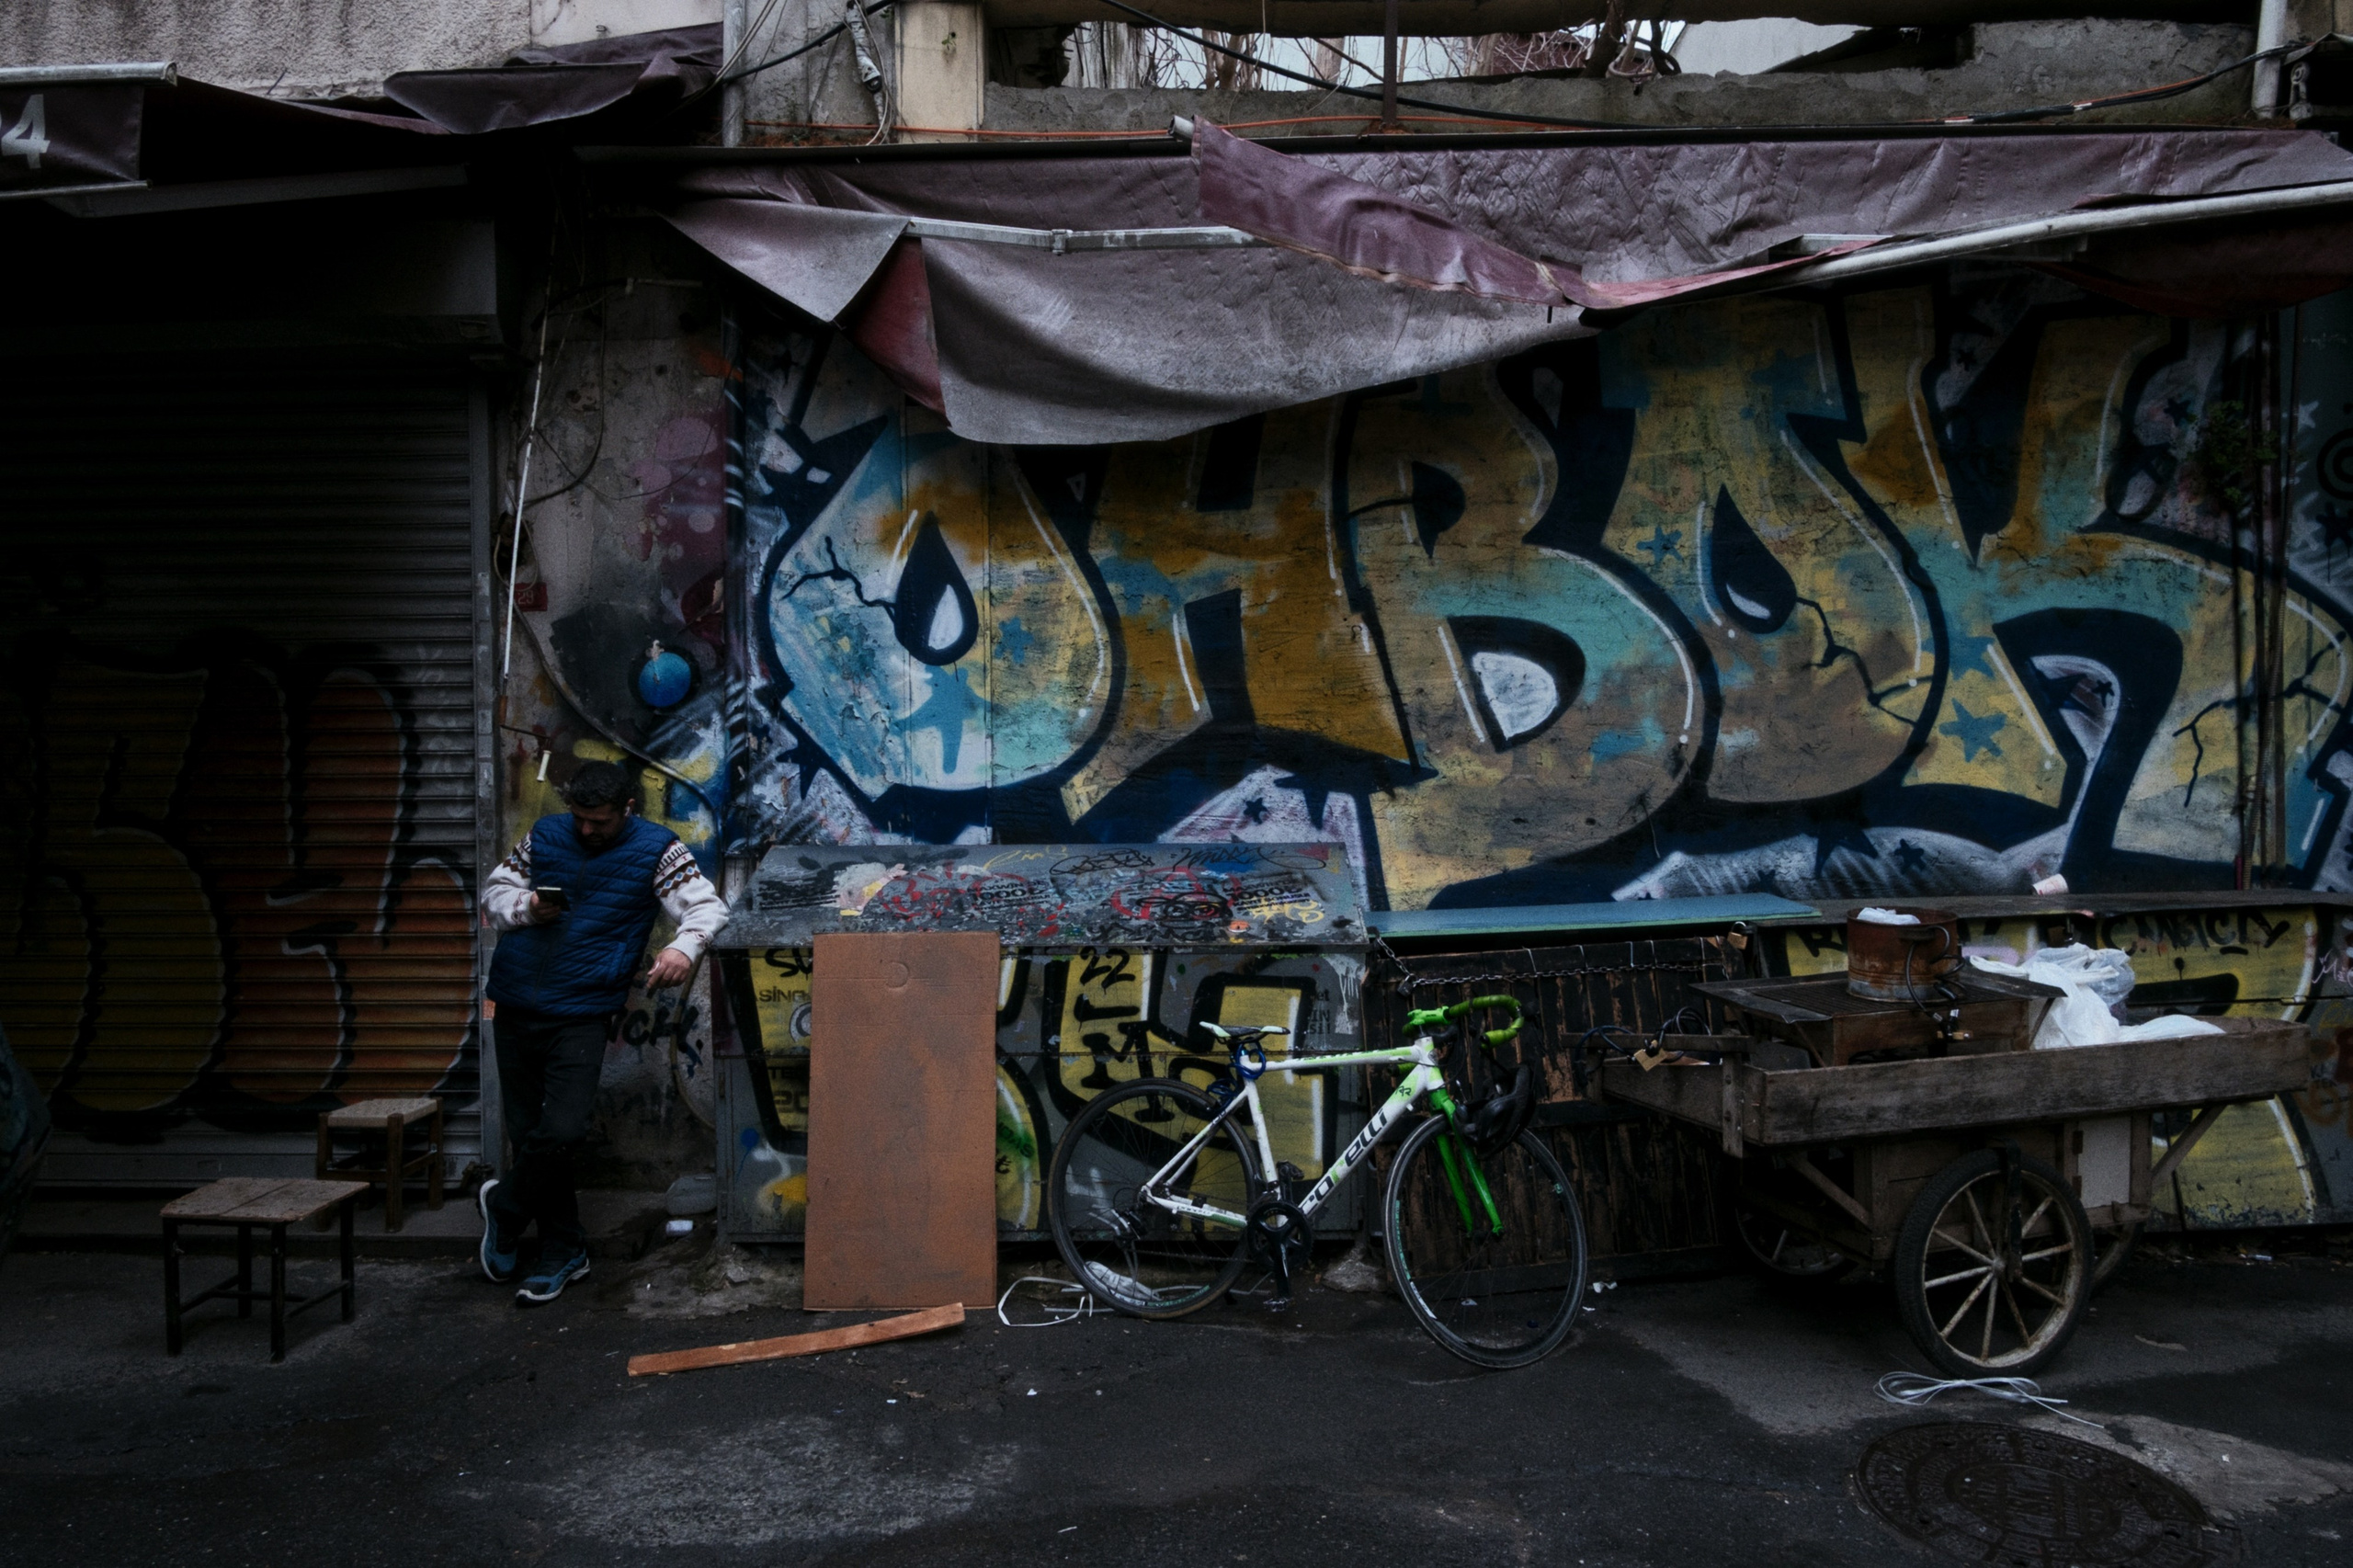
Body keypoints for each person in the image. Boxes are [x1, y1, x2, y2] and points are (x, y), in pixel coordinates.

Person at [477, 760, 727, 1305]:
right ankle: (563, 1252)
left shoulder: (659, 849)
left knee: (561, 1131)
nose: (587, 831)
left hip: (583, 1011)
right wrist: (528, 906)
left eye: (601, 822)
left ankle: (504, 1207)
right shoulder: (545, 835)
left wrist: (683, 949)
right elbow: (495, 894)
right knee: (532, 1139)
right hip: (516, 1002)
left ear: (627, 810)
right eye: (580, 819)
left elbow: (707, 908)